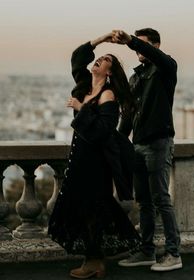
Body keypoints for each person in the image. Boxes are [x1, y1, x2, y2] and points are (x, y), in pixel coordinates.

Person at [48, 33, 141, 279]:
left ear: (110, 72)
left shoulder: (108, 95)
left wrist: (81, 109)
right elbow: (77, 58)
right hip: (80, 157)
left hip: (97, 162)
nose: (99, 59)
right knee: (82, 209)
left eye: (106, 59)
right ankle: (93, 260)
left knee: (91, 210)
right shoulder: (84, 85)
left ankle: (94, 261)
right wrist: (102, 39)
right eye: (99, 57)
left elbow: (103, 131)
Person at [111, 28, 182, 271]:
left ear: (155, 45)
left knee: (162, 199)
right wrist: (119, 143)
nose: (138, 51)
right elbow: (128, 115)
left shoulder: (166, 68)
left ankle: (173, 253)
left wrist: (131, 41)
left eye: (144, 45)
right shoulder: (136, 77)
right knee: (144, 202)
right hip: (138, 145)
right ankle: (147, 251)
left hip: (159, 142)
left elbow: (153, 55)